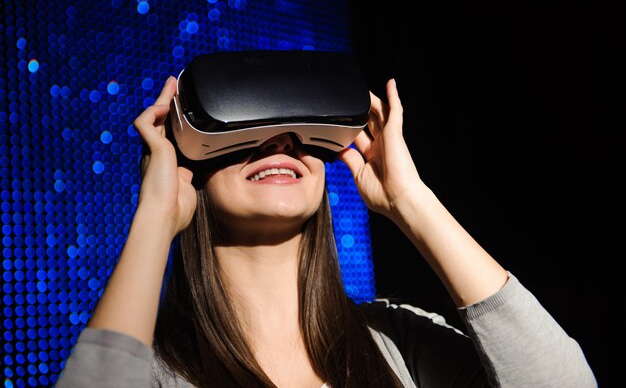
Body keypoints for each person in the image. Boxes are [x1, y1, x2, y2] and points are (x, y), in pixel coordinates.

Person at [56, 76, 597, 387]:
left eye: (298, 129)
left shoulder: (395, 341)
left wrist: (411, 202)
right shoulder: (156, 372)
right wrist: (154, 217)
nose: (279, 140)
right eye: (245, 127)